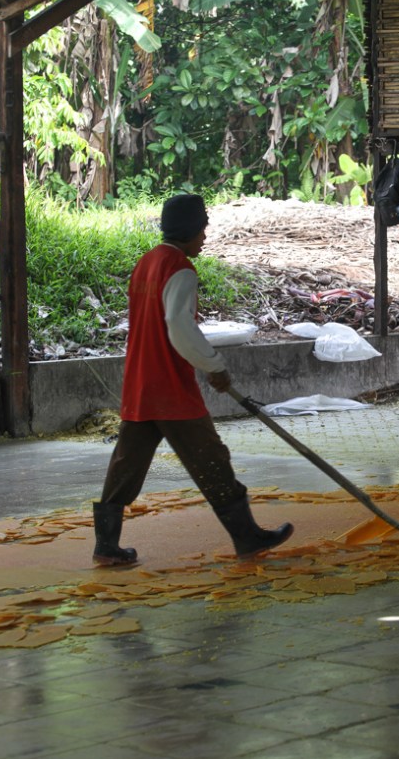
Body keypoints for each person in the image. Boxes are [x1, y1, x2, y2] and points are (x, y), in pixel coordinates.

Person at [92, 194, 294, 566]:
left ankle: (106, 546)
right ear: (189, 230)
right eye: (202, 228)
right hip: (170, 388)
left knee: (126, 464)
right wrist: (213, 365)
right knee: (211, 458)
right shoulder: (180, 268)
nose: (205, 235)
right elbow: (179, 326)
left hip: (140, 384)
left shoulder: (147, 263)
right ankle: (247, 537)